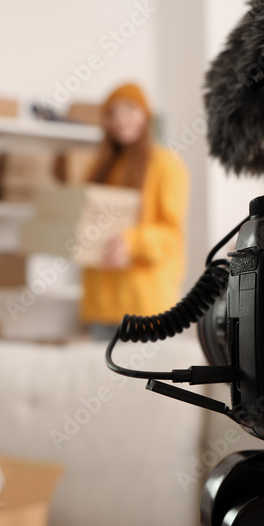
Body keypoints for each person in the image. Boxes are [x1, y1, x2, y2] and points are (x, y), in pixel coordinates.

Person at [79, 83, 189, 340]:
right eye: (112, 113)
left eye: (129, 109)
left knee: (143, 379)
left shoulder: (166, 165)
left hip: (145, 305)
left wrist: (132, 243)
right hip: (100, 308)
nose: (120, 119)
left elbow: (171, 236)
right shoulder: (99, 168)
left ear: (145, 115)